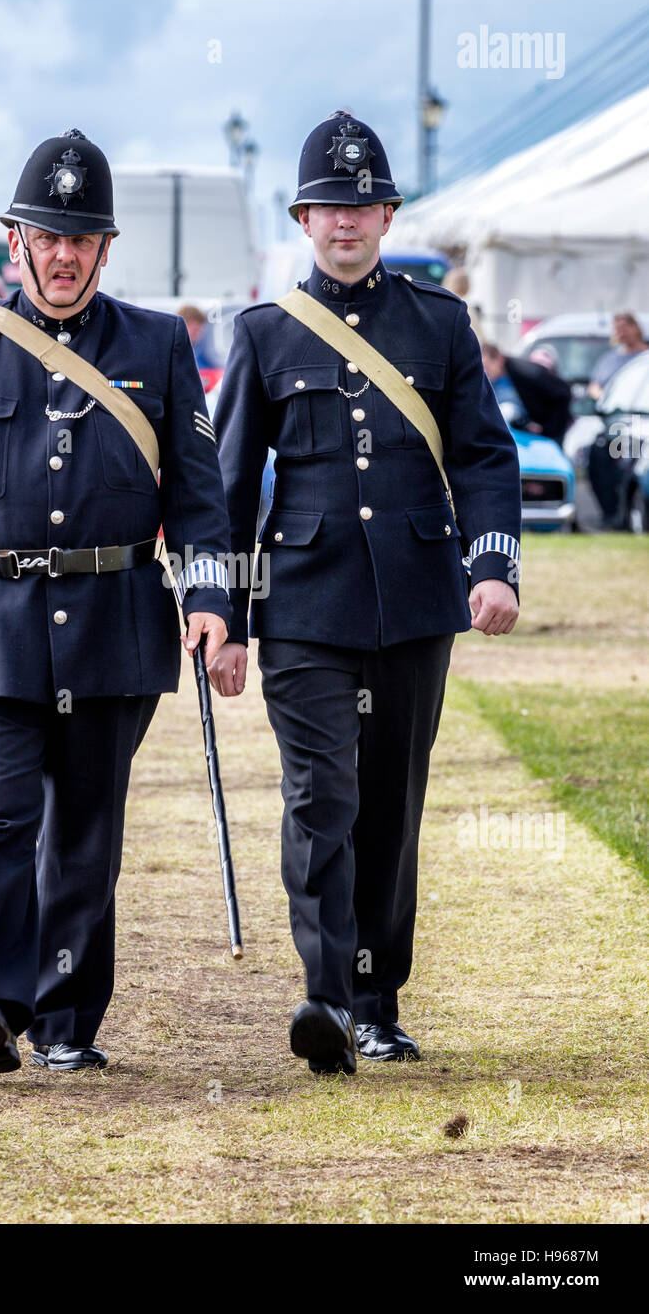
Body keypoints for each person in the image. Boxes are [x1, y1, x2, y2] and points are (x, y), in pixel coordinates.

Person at [0, 128, 231, 1075]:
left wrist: (215, 595)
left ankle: (66, 1022)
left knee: (84, 833)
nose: (65, 257)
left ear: (106, 249)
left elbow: (195, 488)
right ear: (14, 242)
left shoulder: (158, 344)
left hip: (111, 622)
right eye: (47, 238)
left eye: (83, 240)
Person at [210, 111, 521, 1075]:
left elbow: (482, 454)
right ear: (303, 219)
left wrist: (492, 565)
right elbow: (226, 486)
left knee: (390, 801)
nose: (345, 221)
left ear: (387, 214)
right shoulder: (263, 335)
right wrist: (222, 611)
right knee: (321, 798)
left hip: (417, 603)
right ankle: (326, 1000)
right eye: (327, 207)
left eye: (362, 204)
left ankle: (378, 998)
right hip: (303, 606)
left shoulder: (438, 323)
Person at [587, 312, 648, 401]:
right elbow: (594, 386)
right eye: (617, 329)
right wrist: (604, 398)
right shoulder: (608, 359)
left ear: (635, 328)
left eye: (624, 328)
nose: (621, 333)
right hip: (613, 410)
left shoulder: (645, 356)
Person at [178, 303, 219, 370]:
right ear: (183, 325)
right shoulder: (172, 353)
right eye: (195, 330)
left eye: (200, 330)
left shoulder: (200, 351)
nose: (199, 334)